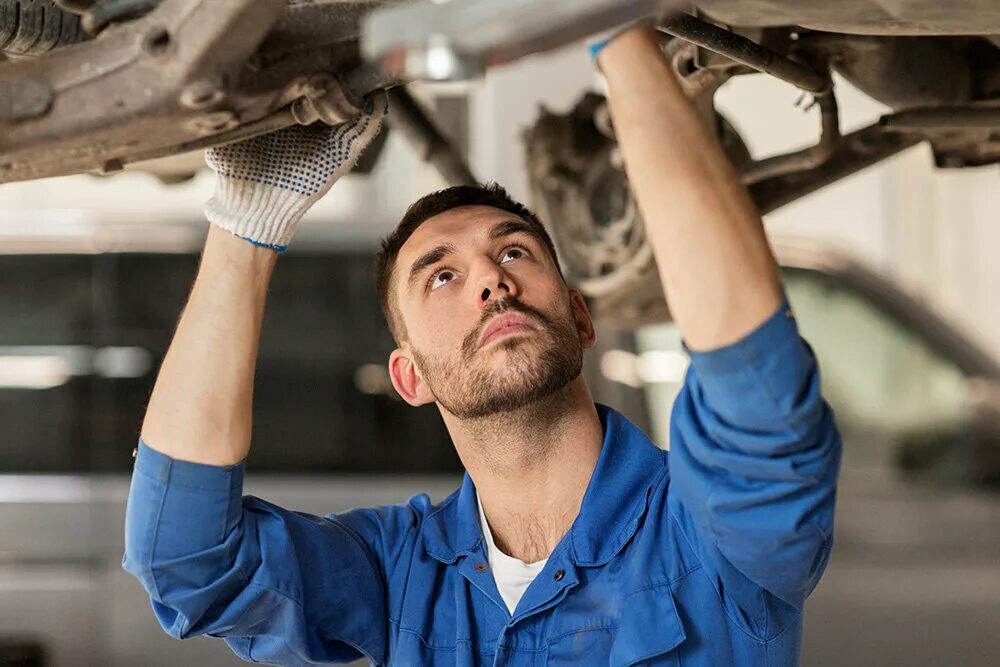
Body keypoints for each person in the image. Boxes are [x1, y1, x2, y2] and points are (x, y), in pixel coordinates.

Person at [124, 23, 841, 666]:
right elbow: (190, 562)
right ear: (411, 378)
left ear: (581, 318)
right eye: (442, 276)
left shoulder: (702, 532)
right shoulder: (397, 574)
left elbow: (757, 385)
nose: (491, 282)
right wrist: (245, 229)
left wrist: (618, 31)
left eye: (516, 252)